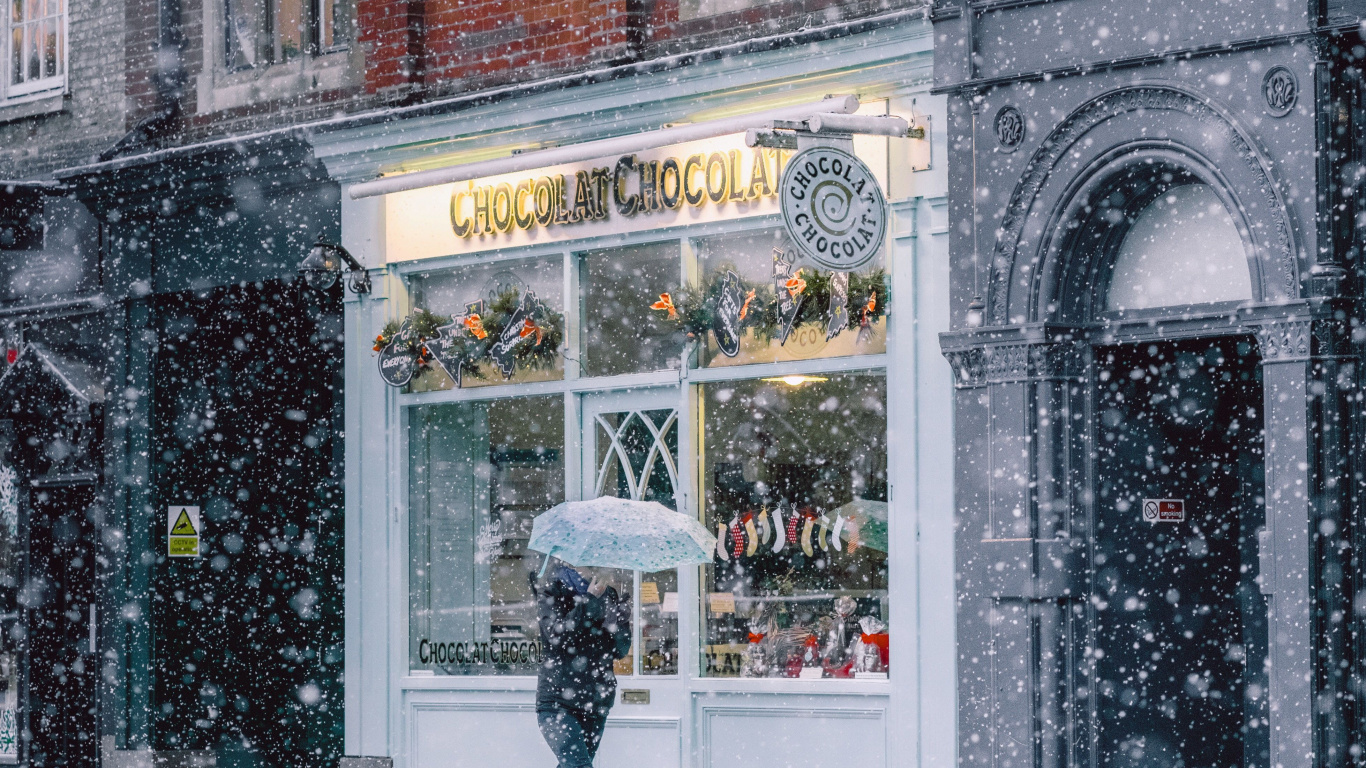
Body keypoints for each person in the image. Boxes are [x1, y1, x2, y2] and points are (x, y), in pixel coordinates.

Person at [530, 563, 632, 768]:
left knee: (573, 765)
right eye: (589, 563)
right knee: (579, 765)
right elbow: (557, 637)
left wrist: (621, 621)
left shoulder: (609, 594)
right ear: (572, 563)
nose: (595, 568)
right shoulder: (553, 591)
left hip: (595, 702)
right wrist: (589, 601)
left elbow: (618, 651)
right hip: (558, 703)